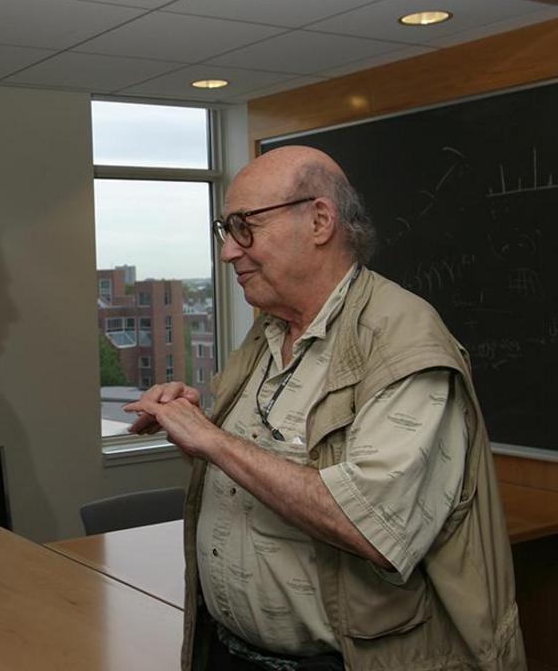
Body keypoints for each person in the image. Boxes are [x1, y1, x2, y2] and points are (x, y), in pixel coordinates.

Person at [125, 146, 524, 671]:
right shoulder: (270, 330)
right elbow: (248, 460)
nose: (228, 252)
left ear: (319, 220)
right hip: (232, 651)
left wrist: (213, 440)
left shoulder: (402, 341)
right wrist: (195, 417)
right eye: (226, 230)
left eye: (245, 226)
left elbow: (373, 527)